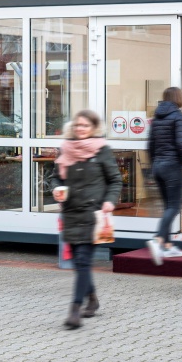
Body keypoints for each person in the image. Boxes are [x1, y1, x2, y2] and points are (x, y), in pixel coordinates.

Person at [52, 109, 121, 330]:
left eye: (85, 126)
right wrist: (56, 190)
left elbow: (115, 180)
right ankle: (92, 298)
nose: (81, 129)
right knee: (79, 263)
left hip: (93, 215)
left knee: (82, 260)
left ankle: (75, 311)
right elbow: (55, 178)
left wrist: (110, 201)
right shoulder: (66, 149)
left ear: (93, 128)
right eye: (78, 125)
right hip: (71, 213)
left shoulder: (102, 151)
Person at [146, 87, 182, 265]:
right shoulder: (178, 116)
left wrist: (154, 165)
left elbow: (150, 145)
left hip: (158, 166)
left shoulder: (156, 117)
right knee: (174, 206)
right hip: (172, 166)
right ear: (178, 98)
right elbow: (181, 145)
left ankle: (166, 245)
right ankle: (158, 239)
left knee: (168, 206)